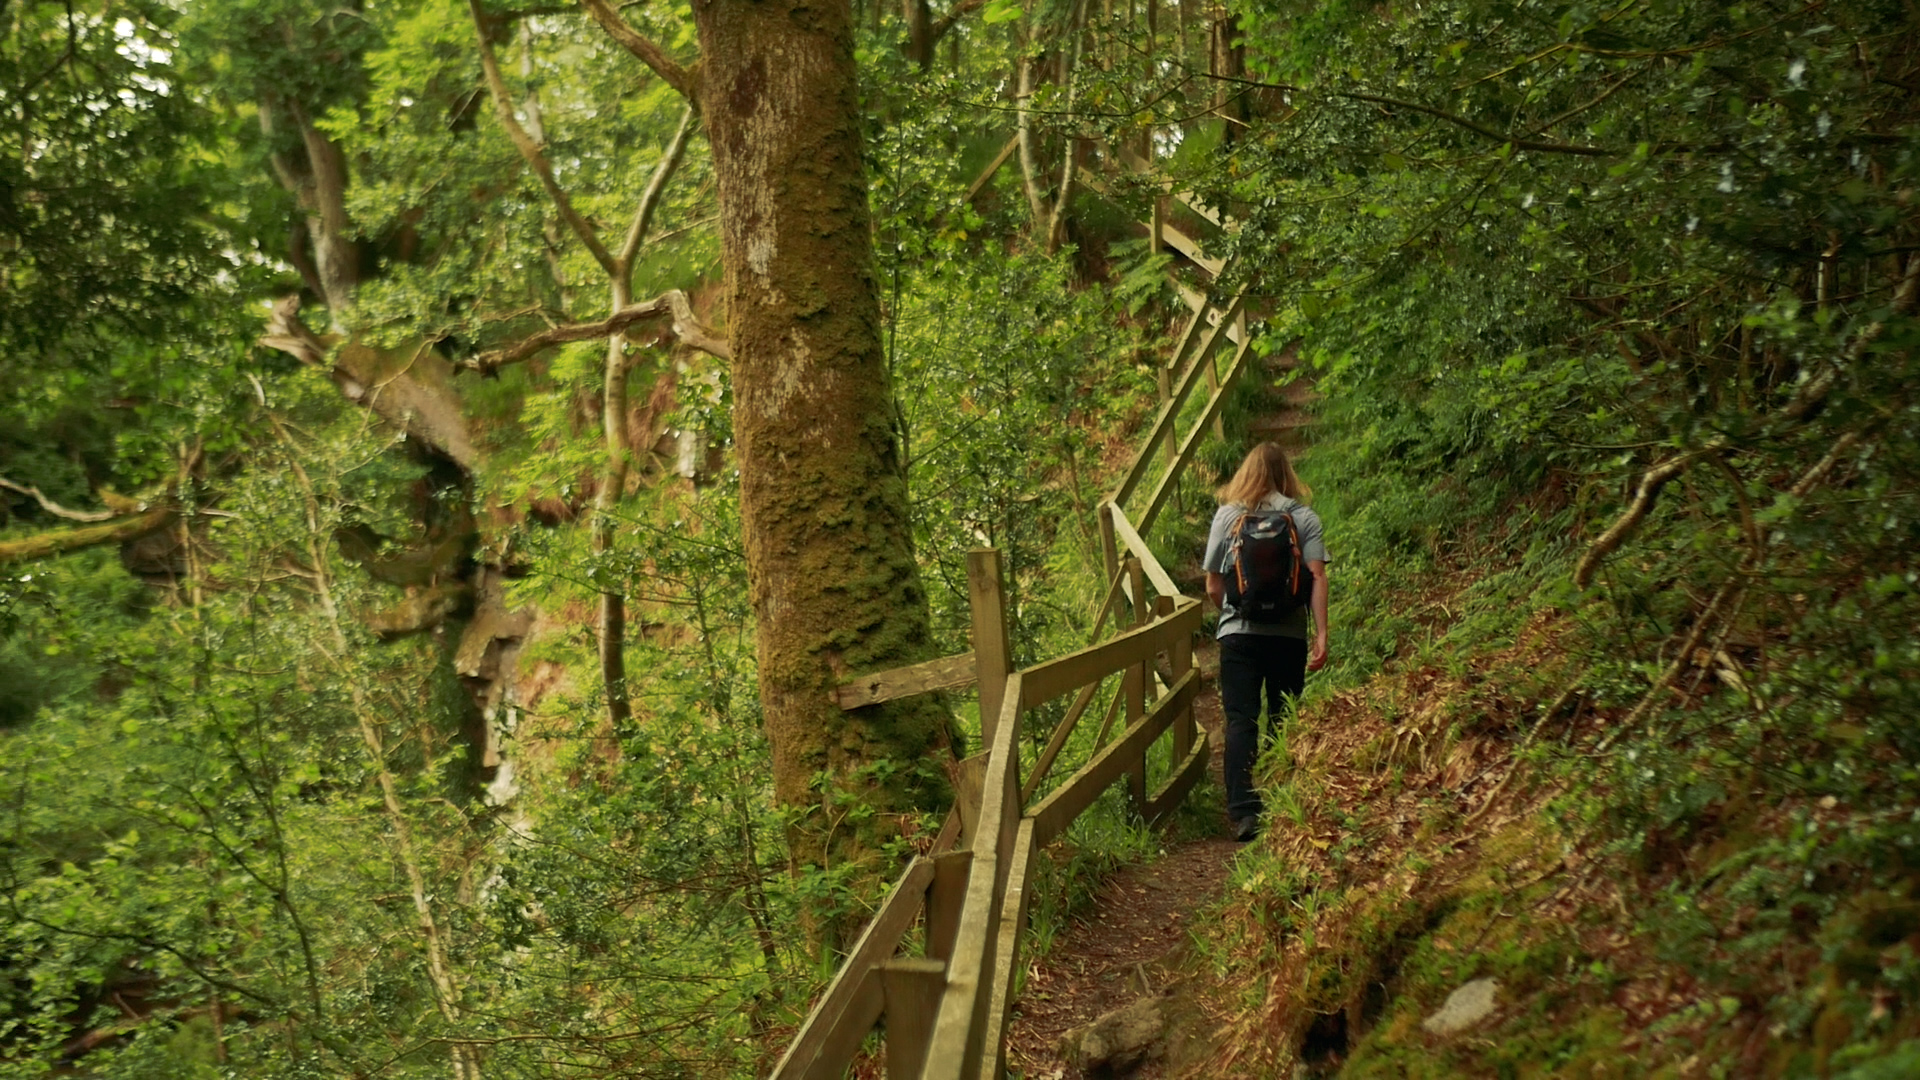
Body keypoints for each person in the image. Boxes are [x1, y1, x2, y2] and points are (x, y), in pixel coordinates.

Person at [1202, 442, 1328, 842]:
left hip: (1238, 637)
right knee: (1281, 714)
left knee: (1241, 719)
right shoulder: (1303, 517)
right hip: (1288, 635)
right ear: (1286, 473)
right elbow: (1318, 577)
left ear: (1247, 472)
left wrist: (1233, 613)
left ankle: (1244, 812)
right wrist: (1321, 633)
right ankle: (1280, 798)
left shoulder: (1227, 516)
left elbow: (1212, 584)